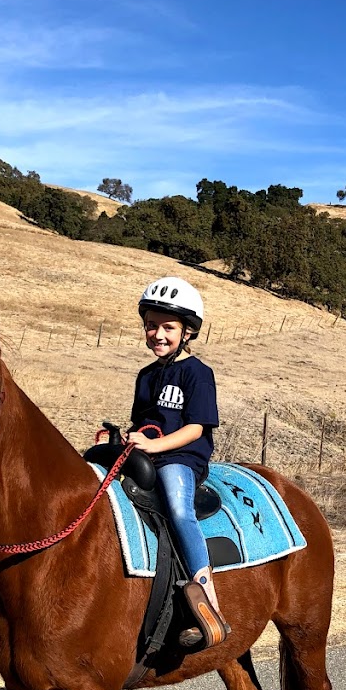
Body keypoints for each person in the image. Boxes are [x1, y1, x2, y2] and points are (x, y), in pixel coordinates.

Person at [124, 276, 230, 648]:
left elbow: (197, 429)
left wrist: (156, 448)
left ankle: (205, 595)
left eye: (167, 327)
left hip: (181, 458)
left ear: (187, 332)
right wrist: (132, 439)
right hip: (149, 453)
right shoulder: (146, 375)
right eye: (151, 325)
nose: (157, 334)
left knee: (177, 507)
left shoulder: (197, 373)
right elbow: (142, 422)